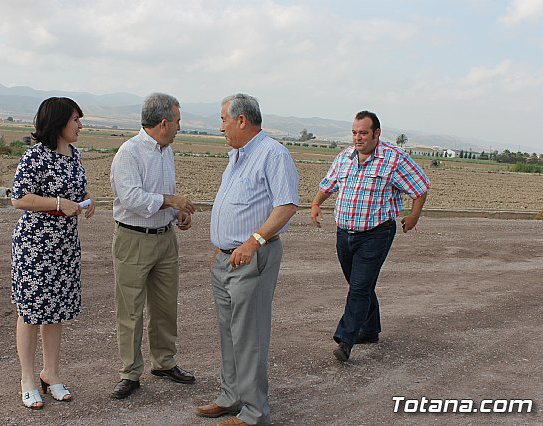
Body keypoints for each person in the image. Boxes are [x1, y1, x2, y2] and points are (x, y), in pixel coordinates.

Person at [195, 94, 299, 426]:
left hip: (251, 258)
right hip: (227, 259)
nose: (220, 126)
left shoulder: (273, 154)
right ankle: (231, 397)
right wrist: (222, 246)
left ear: (242, 121)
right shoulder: (238, 156)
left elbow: (285, 206)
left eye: (223, 119)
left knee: (249, 335)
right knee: (229, 332)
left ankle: (254, 413)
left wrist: (253, 242)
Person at [310, 110, 430, 362]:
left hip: (376, 233)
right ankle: (370, 330)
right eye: (354, 132)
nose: (358, 138)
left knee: (360, 287)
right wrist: (316, 203)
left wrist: (414, 216)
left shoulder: (394, 159)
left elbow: (420, 187)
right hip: (345, 233)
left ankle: (346, 340)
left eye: (363, 133)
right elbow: (328, 183)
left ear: (377, 133)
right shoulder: (344, 158)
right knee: (359, 285)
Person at [109, 92, 196, 400]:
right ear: (163, 123)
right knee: (130, 310)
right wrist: (171, 201)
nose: (179, 128)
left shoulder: (165, 151)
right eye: (177, 121)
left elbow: (162, 196)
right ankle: (130, 372)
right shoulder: (129, 153)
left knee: (164, 306)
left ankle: (164, 362)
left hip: (164, 239)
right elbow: (132, 199)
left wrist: (177, 214)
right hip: (133, 238)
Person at [11, 97, 95, 409]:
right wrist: (60, 204)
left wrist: (88, 198)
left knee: (56, 309)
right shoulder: (36, 156)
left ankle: (51, 373)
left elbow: (78, 189)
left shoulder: (75, 155)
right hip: (36, 246)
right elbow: (19, 199)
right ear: (58, 122)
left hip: (64, 245)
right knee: (31, 312)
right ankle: (28, 378)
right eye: (76, 119)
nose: (80, 125)